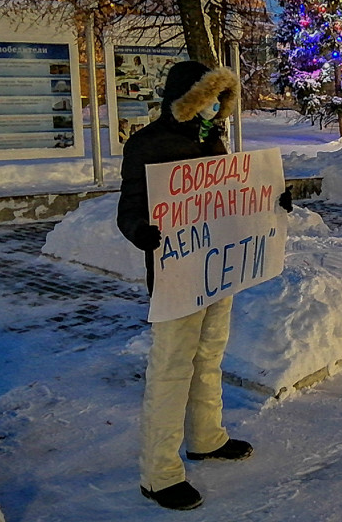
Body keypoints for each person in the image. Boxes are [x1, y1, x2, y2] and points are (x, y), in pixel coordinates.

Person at [118, 61, 258, 510]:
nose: (216, 107)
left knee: (209, 357)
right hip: (176, 276)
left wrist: (271, 203)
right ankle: (159, 474)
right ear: (190, 100)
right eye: (209, 97)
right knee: (171, 368)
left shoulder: (213, 140)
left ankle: (206, 436)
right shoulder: (146, 144)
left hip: (216, 270)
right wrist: (141, 230)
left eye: (221, 99)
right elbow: (130, 208)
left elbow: (228, 199)